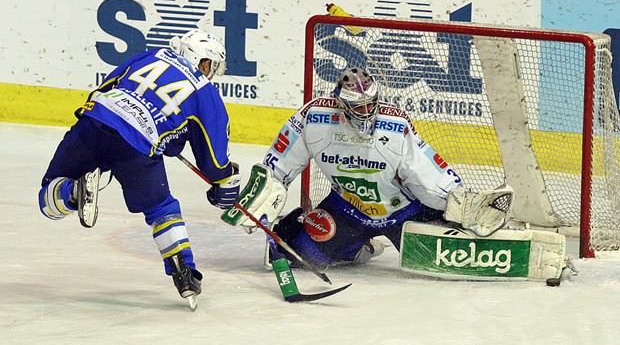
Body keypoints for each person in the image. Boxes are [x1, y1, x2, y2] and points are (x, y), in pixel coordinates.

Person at [38, 29, 241, 303]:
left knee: (48, 197)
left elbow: (107, 86)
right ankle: (183, 270)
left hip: (94, 122)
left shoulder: (152, 55)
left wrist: (169, 138)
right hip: (136, 145)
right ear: (203, 61)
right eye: (211, 67)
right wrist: (225, 180)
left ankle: (73, 192)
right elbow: (214, 162)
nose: (210, 74)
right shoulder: (206, 93)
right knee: (161, 208)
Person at [227, 66, 466, 269]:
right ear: (340, 103)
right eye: (356, 106)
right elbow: (278, 166)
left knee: (443, 260)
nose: (365, 112)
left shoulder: (395, 125)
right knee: (298, 254)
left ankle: (360, 243)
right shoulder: (314, 117)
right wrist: (262, 200)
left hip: (403, 212)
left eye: (370, 104)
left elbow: (424, 174)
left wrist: (458, 205)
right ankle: (357, 247)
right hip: (346, 211)